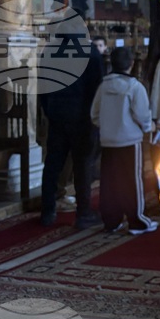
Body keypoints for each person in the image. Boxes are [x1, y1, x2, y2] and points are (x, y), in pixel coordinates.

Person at [39, 21, 105, 228]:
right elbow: (98, 87)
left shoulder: (50, 52)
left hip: (57, 116)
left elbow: (42, 87)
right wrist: (95, 117)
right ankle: (83, 213)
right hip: (82, 118)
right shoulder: (90, 52)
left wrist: (49, 111)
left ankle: (47, 211)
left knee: (52, 164)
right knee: (82, 165)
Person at [91, 47, 158, 234]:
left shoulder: (103, 86)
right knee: (132, 181)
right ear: (132, 64)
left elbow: (94, 114)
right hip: (129, 141)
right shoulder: (135, 87)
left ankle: (111, 221)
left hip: (108, 140)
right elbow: (143, 116)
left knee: (109, 182)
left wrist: (108, 126)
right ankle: (137, 221)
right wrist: (150, 127)